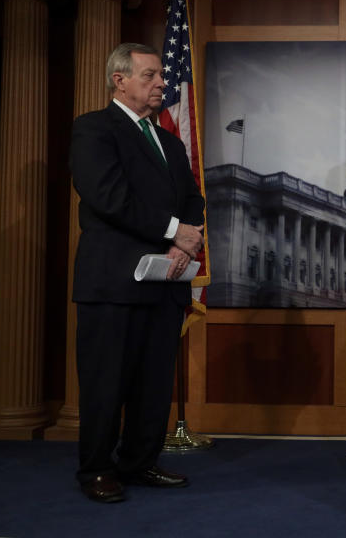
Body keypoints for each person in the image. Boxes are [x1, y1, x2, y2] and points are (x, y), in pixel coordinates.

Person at [69, 43, 205, 503]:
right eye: (149, 76)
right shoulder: (93, 129)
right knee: (106, 383)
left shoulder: (169, 140)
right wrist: (174, 231)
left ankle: (140, 461)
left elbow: (192, 198)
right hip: (112, 282)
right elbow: (110, 198)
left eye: (161, 78)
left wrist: (180, 241)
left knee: (153, 382)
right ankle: (97, 469)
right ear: (119, 80)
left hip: (165, 279)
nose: (161, 84)